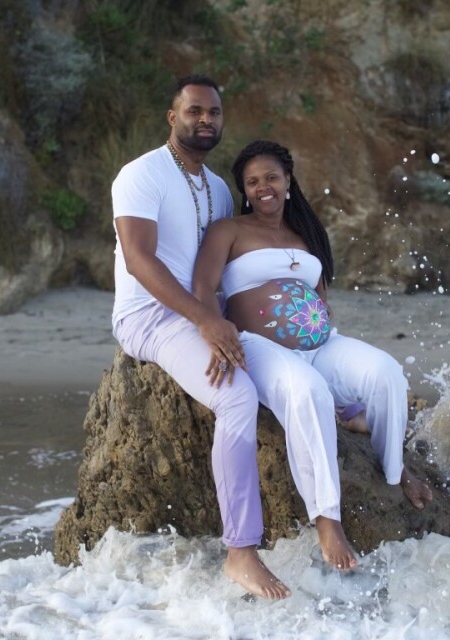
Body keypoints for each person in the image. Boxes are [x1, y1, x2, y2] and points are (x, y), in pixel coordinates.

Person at [192, 140, 434, 558]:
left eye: (271, 177)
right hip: (260, 347)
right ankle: (327, 520)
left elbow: (318, 294)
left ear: (288, 180)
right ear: (244, 190)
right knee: (308, 391)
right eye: (252, 182)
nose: (263, 188)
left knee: (387, 374)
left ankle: (396, 471)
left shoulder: (305, 233)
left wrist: (314, 315)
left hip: (322, 345)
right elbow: (201, 287)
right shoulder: (228, 231)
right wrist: (214, 333)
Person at [110, 76, 292, 599]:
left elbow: (218, 272)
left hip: (200, 313)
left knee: (284, 356)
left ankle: (345, 407)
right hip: (148, 316)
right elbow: (139, 260)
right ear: (173, 117)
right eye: (194, 111)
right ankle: (241, 552)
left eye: (214, 112)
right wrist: (205, 322)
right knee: (236, 396)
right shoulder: (140, 174)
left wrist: (228, 319)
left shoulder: (218, 189)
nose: (205, 119)